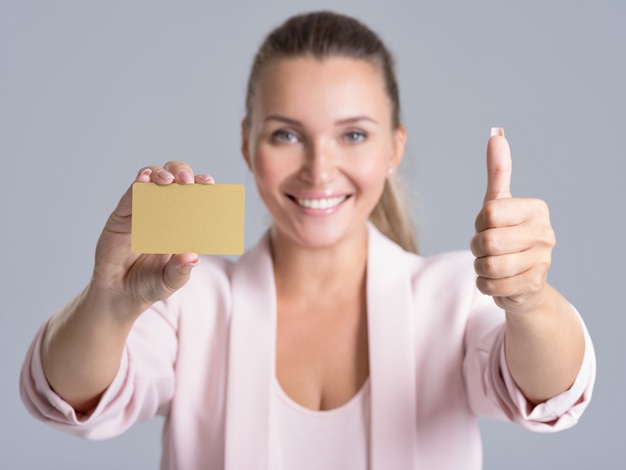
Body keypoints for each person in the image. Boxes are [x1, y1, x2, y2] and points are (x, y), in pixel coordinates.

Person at [20, 10, 595, 470]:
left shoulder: (451, 295)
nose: (319, 171)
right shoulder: (188, 299)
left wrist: (531, 301)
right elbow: (64, 399)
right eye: (287, 134)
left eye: (353, 134)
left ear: (394, 147)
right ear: (248, 145)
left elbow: (550, 395)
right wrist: (110, 301)